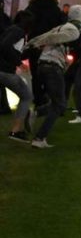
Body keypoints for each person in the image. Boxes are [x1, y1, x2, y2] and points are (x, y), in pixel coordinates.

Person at [26, 5, 81, 148]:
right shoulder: (74, 31)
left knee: (57, 102)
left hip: (42, 65)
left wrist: (31, 43)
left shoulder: (61, 26)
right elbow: (53, 38)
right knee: (60, 105)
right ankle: (39, 138)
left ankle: (37, 112)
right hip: (52, 67)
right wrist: (37, 43)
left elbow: (47, 35)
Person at [4, 10, 35, 142]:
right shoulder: (18, 32)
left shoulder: (11, 29)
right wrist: (19, 63)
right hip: (4, 70)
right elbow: (5, 46)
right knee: (27, 96)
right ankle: (16, 131)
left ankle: (18, 128)